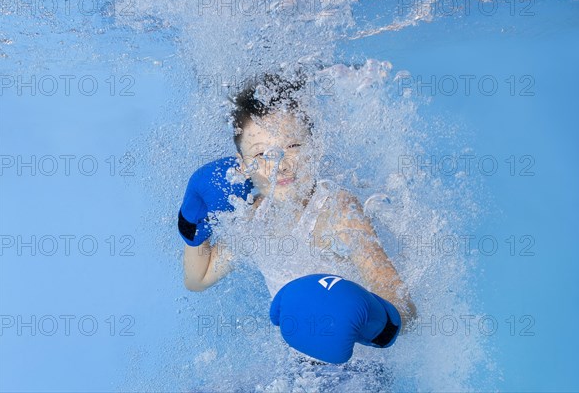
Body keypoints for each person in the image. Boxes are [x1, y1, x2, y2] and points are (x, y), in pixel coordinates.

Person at [178, 71, 417, 375]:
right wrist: (191, 225)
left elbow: (405, 305)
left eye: (292, 146)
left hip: (359, 372)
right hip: (296, 369)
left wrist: (375, 319)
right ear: (242, 164)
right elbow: (198, 279)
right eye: (262, 154)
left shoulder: (336, 210)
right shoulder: (253, 215)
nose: (282, 164)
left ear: (314, 143)